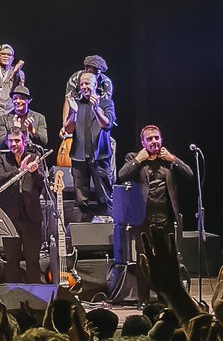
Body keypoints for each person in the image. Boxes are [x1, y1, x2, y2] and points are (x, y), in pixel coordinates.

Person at [116, 125, 193, 303]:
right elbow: (122, 175)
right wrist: (138, 159)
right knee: (144, 262)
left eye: (157, 138)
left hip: (165, 218)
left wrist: (174, 159)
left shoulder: (168, 160)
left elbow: (189, 175)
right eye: (149, 139)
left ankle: (166, 300)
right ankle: (143, 301)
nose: (154, 142)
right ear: (143, 142)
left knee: (167, 262)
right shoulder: (134, 157)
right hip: (142, 219)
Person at [60, 70, 116, 216]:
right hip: (79, 157)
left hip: (100, 157)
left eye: (87, 83)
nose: (84, 87)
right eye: (81, 84)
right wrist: (73, 112)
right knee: (80, 200)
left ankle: (106, 232)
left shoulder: (106, 102)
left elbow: (107, 124)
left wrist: (96, 109)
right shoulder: (77, 104)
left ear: (95, 84)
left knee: (104, 197)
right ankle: (82, 233)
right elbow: (68, 129)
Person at [0, 128, 44, 283]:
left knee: (32, 260)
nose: (13, 144)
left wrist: (35, 173)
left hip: (31, 216)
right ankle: (13, 299)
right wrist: (19, 171)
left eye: (17, 140)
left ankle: (36, 299)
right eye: (10, 141)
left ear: (24, 141)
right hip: (10, 218)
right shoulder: (1, 159)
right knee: (12, 261)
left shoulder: (34, 158)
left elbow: (41, 185)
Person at [62, 54, 114, 125]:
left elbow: (105, 106)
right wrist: (64, 123)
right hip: (78, 113)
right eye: (92, 73)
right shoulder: (75, 79)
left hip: (97, 117)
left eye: (98, 74)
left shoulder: (106, 83)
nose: (95, 76)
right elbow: (68, 101)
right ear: (86, 70)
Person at [0, 85, 48, 151]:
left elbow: (44, 142)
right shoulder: (3, 119)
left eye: (21, 98)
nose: (18, 101)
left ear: (28, 100)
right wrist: (15, 130)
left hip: (33, 155)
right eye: (15, 98)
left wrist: (32, 131)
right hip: (11, 157)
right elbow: (1, 144)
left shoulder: (39, 118)